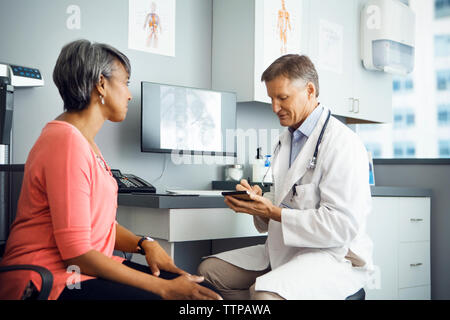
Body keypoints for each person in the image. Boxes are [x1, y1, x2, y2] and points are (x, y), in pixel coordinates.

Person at [0, 39, 222, 301]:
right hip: (51, 278)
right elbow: (77, 254)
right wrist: (164, 289)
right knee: (180, 296)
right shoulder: (67, 144)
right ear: (101, 84)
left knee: (204, 293)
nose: (129, 94)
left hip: (82, 270)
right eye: (125, 82)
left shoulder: (82, 141)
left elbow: (97, 225)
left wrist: (144, 243)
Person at [198, 54, 373, 300]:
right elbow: (290, 199)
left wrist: (272, 212)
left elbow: (340, 226)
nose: (274, 108)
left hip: (332, 256)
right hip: (285, 250)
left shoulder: (343, 144)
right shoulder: (287, 140)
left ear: (310, 91)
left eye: (282, 98)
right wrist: (258, 204)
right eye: (271, 98)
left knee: (263, 294)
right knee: (207, 274)